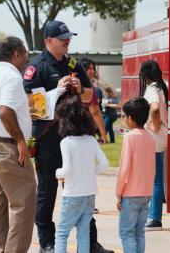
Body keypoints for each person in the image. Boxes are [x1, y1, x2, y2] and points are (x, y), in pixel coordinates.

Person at [23, 20, 113, 253]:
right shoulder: (37, 67)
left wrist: (78, 88)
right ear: (49, 40)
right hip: (49, 136)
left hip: (76, 135)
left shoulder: (73, 64)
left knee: (82, 189)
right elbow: (30, 104)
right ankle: (47, 242)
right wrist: (57, 89)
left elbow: (90, 95)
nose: (67, 41)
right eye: (63, 38)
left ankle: (90, 242)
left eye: (69, 37)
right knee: (47, 190)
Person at [0, 36, 36, 253]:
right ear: (16, 55)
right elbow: (5, 111)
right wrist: (21, 140)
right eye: (25, 55)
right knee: (24, 205)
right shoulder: (12, 78)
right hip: (7, 147)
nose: (26, 60)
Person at [54, 95, 109, 253]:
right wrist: (91, 172)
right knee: (84, 233)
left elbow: (67, 171)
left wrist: (57, 173)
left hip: (72, 195)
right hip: (90, 194)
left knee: (62, 233)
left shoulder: (66, 142)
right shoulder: (91, 140)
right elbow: (104, 163)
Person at [116, 97, 156, 253]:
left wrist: (118, 193)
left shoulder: (130, 137)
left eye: (125, 116)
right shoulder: (150, 137)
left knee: (126, 234)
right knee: (139, 233)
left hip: (131, 194)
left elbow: (124, 168)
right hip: (146, 193)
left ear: (130, 119)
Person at [138, 60, 168, 231]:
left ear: (144, 74)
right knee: (157, 179)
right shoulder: (162, 86)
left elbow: (154, 108)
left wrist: (155, 126)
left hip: (155, 137)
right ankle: (153, 215)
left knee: (155, 180)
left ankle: (155, 218)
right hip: (162, 136)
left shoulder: (151, 89)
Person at [79, 58, 108, 143]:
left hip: (65, 128)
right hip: (83, 130)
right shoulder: (88, 87)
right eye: (88, 69)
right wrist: (103, 134)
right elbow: (95, 111)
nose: (92, 71)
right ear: (82, 69)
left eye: (93, 69)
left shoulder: (70, 82)